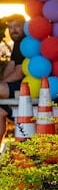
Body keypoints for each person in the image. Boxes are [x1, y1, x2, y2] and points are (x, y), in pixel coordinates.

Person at [0, 14, 26, 145]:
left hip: (26, 88)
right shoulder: (17, 43)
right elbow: (11, 66)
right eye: (10, 28)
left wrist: (2, 85)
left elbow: (18, 73)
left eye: (17, 26)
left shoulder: (25, 42)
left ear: (25, 26)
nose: (13, 30)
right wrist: (2, 84)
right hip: (17, 87)